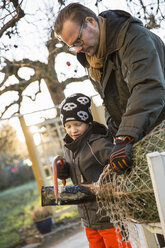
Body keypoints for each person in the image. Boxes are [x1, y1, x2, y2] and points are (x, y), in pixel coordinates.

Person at [54, 3, 165, 175]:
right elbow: (110, 101)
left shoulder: (134, 39)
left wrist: (125, 136)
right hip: (141, 137)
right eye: (72, 46)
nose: (78, 49)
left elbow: (148, 88)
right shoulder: (94, 60)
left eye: (78, 40)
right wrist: (114, 133)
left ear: (90, 21)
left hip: (160, 132)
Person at [57, 93, 131, 248]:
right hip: (88, 218)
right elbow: (74, 172)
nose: (73, 130)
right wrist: (63, 171)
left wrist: (107, 186)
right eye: (68, 126)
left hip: (109, 217)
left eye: (77, 124)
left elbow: (117, 167)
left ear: (88, 123)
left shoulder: (98, 144)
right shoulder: (69, 148)